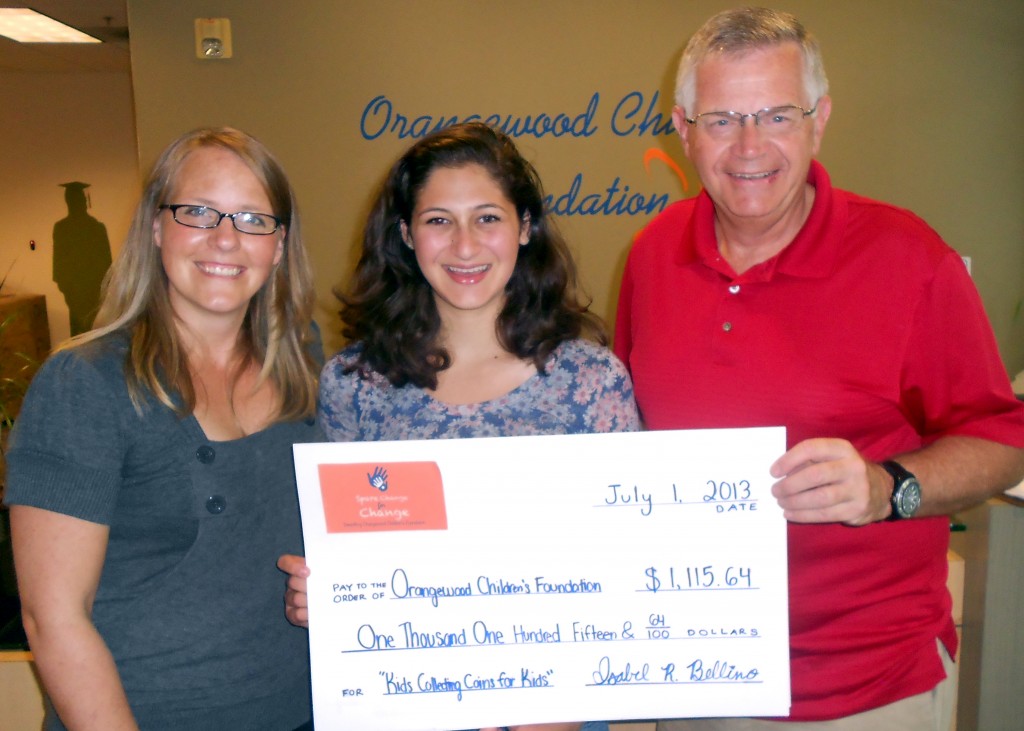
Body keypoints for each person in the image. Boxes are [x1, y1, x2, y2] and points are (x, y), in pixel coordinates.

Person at [614, 7, 1024, 731]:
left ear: (819, 119)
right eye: (720, 120)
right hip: (692, 669)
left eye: (776, 114)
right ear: (682, 130)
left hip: (865, 686)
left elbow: (1003, 439)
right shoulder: (650, 255)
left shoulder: (909, 260)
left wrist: (883, 487)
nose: (748, 146)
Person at [279, 121, 640, 731]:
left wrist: (563, 706)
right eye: (439, 220)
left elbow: (629, 562)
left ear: (525, 228)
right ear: (405, 234)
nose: (465, 246)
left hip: (555, 714)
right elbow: (348, 552)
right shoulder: (355, 385)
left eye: (489, 218)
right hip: (402, 706)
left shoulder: (590, 381)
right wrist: (326, 596)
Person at [5, 127, 321, 730]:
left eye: (254, 219)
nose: (226, 239)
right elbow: (54, 618)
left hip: (302, 712)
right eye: (198, 212)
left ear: (279, 245)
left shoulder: (304, 361)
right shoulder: (86, 384)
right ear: (156, 227)